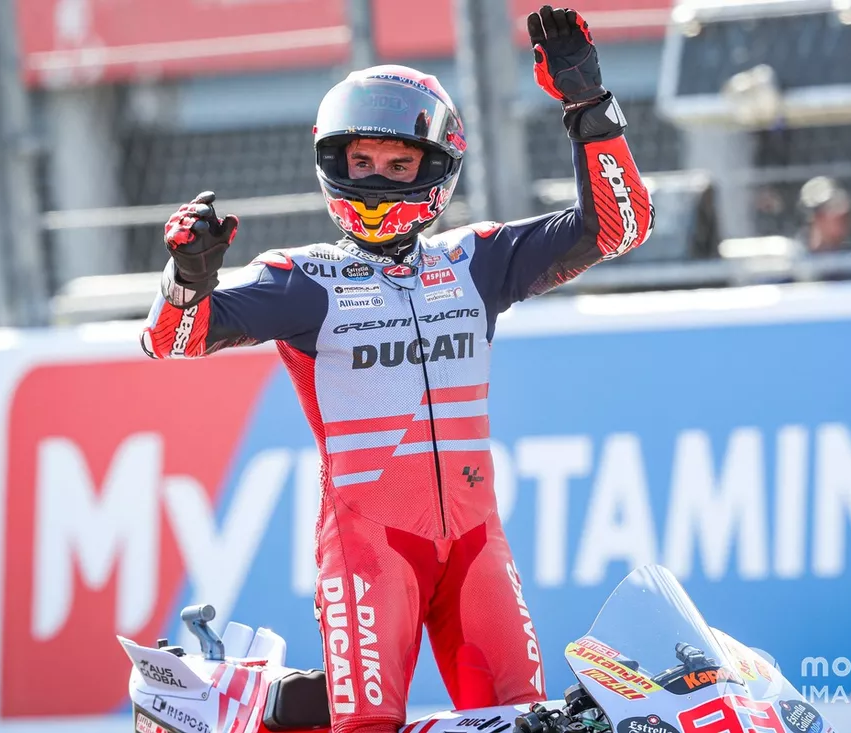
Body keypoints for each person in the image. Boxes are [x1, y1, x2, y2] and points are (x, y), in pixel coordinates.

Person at [141, 6, 654, 733]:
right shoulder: (302, 278)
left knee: (529, 723)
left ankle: (270, 704)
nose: (377, 179)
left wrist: (589, 107)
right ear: (334, 164)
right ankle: (257, 707)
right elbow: (169, 342)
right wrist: (188, 277)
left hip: (476, 546)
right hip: (368, 553)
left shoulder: (478, 260)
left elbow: (620, 227)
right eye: (362, 163)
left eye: (399, 164)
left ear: (436, 168)